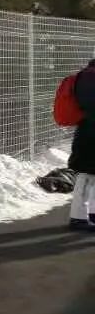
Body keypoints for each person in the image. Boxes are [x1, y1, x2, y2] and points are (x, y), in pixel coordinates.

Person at [69, 59, 95, 231]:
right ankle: (79, 217)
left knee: (86, 175)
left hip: (86, 130)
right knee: (86, 175)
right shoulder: (89, 78)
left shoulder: (83, 76)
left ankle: (85, 214)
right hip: (91, 132)